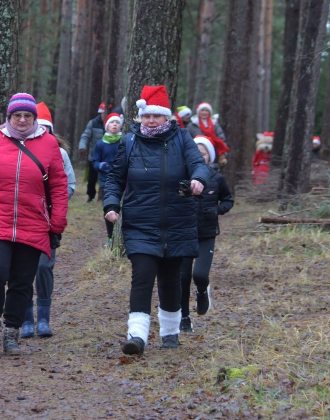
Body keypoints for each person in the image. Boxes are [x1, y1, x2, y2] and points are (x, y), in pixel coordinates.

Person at [0, 93, 68, 356]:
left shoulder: (49, 144)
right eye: (16, 115)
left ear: (34, 118)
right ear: (8, 117)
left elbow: (59, 187)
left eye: (27, 115)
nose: (21, 120)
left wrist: (57, 224)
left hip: (34, 223)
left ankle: (12, 331)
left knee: (21, 280)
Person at [103, 85, 209, 355]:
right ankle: (136, 336)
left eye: (156, 116)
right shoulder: (129, 142)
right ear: (140, 117)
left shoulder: (182, 138)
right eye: (146, 116)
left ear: (167, 118)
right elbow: (115, 178)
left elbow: (198, 163)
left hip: (177, 220)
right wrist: (112, 204)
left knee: (170, 278)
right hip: (140, 222)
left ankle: (170, 332)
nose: (151, 121)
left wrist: (198, 179)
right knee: (142, 276)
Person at [21, 102, 75, 339]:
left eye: (45, 128)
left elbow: (70, 185)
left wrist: (55, 203)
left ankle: (43, 318)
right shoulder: (18, 148)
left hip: (48, 221)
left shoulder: (60, 154)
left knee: (44, 267)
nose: (41, 132)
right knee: (22, 270)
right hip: (22, 218)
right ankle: (24, 319)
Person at [179, 137, 233, 333]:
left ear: (210, 156)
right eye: (196, 154)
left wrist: (216, 211)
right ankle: (184, 318)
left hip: (206, 233)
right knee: (182, 277)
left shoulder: (216, 178)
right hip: (183, 233)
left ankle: (202, 291)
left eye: (203, 154)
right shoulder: (182, 176)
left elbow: (228, 200)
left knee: (199, 274)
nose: (200, 157)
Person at [92, 113, 123, 247]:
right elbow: (95, 162)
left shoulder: (124, 141)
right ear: (107, 126)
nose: (115, 125)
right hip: (106, 182)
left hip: (123, 182)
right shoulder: (100, 144)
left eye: (117, 122)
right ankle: (110, 237)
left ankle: (124, 237)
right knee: (109, 210)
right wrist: (100, 165)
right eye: (112, 122)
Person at [78, 102, 106, 202]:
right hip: (94, 157)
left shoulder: (112, 123)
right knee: (91, 179)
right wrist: (82, 147)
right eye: (103, 113)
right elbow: (85, 136)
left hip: (107, 157)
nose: (104, 115)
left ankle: (104, 196)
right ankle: (91, 196)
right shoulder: (93, 123)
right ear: (100, 113)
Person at [187, 102, 229, 167]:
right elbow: (187, 139)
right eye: (202, 110)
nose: (204, 112)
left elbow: (221, 138)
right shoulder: (192, 125)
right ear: (198, 112)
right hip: (196, 153)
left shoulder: (215, 124)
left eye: (206, 110)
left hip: (214, 153)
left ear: (210, 112)